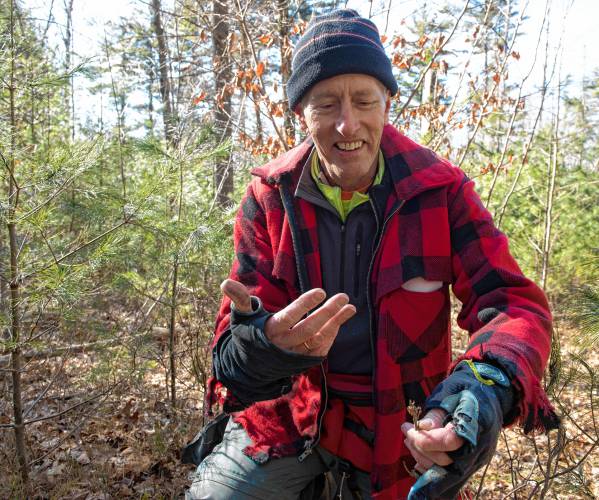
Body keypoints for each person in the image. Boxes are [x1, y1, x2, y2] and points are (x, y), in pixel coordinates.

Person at [186, 9, 559, 499]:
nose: (348, 124)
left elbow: (512, 304)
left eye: (365, 100)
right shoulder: (270, 198)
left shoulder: (439, 191)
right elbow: (229, 358)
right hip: (294, 416)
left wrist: (483, 385)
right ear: (302, 113)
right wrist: (266, 342)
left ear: (387, 102)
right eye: (325, 104)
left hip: (407, 424)